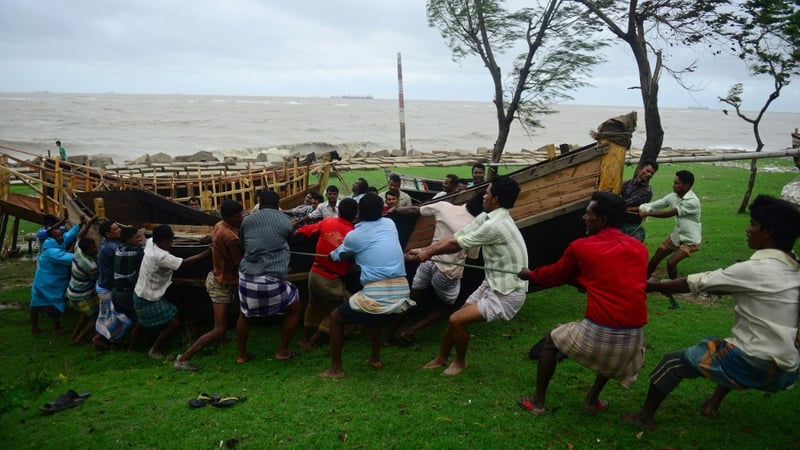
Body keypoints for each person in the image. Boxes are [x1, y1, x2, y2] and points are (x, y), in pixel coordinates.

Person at [625, 195, 800, 431]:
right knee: (724, 345)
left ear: (767, 232)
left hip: (753, 363)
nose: (747, 230)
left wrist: (651, 286)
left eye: (753, 224)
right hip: (788, 369)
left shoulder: (753, 269)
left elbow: (693, 282)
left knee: (672, 362)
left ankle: (644, 417)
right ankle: (712, 403)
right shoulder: (794, 265)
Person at [516, 191, 649, 416]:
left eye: (588, 214)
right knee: (608, 350)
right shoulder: (640, 248)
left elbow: (554, 275)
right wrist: (581, 282)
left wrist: (530, 274)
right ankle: (592, 400)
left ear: (603, 219)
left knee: (550, 341)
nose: (584, 218)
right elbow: (612, 280)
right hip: (633, 343)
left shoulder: (581, 246)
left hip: (601, 338)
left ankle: (537, 402)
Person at [406, 176, 528, 376]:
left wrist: (427, 254)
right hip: (492, 283)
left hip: (508, 292)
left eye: (487, 193)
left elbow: (456, 245)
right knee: (456, 318)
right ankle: (441, 358)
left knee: (456, 320)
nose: (483, 196)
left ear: (495, 199)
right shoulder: (487, 217)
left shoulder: (494, 225)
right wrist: (424, 249)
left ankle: (460, 362)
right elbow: (455, 237)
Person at [321, 193, 414, 378]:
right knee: (374, 317)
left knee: (335, 318)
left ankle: (336, 369)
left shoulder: (354, 236)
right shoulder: (390, 224)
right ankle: (375, 358)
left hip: (377, 292)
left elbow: (338, 255)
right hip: (403, 288)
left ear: (359, 213)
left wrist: (332, 255)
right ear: (382, 210)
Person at [384, 191, 483, 346]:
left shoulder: (443, 206)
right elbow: (472, 257)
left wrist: (395, 210)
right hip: (447, 272)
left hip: (427, 262)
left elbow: (414, 210)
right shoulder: (476, 229)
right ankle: (409, 332)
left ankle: (389, 338)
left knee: (410, 300)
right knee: (448, 306)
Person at [174, 200, 245, 370]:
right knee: (219, 328)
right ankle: (183, 358)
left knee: (235, 317)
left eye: (241, 214)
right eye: (238, 216)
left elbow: (211, 238)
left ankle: (232, 344)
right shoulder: (231, 238)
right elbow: (239, 263)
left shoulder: (219, 224)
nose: (241, 218)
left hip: (220, 277)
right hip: (222, 283)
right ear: (228, 217)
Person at [237, 190, 302, 364]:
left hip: (246, 277)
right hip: (272, 278)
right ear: (277, 204)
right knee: (295, 308)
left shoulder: (247, 220)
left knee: (244, 314)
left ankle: (242, 355)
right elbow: (290, 236)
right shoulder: (284, 220)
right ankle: (282, 351)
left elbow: (242, 243)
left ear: (260, 202)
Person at [133, 224, 210, 359]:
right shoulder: (161, 256)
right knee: (174, 322)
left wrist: (142, 232)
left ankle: (131, 347)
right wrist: (207, 252)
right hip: (149, 296)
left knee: (140, 321)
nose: (171, 244)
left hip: (140, 291)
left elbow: (145, 238)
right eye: (168, 242)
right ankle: (155, 349)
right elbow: (184, 263)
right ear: (160, 241)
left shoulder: (151, 243)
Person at [294, 198, 358, 351]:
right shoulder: (353, 234)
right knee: (346, 307)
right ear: (355, 214)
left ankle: (304, 338)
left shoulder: (327, 222)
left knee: (313, 304)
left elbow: (306, 230)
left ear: (339, 211)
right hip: (330, 279)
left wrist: (296, 229)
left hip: (314, 273)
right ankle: (313, 342)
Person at [639, 170, 701, 308]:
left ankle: (674, 286)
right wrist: (643, 208)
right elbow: (656, 204)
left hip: (690, 239)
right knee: (654, 259)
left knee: (671, 263)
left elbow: (668, 213)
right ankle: (641, 284)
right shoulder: (673, 197)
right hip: (676, 235)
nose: (673, 185)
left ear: (686, 185)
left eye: (676, 183)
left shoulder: (692, 201)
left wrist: (647, 213)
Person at [30, 215, 95, 334]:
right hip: (48, 281)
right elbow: (68, 258)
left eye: (60, 235)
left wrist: (80, 225)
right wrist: (87, 256)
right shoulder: (51, 251)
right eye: (58, 236)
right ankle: (54, 327)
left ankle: (39, 326)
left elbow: (68, 235)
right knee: (53, 303)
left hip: (51, 279)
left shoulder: (56, 241)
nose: (61, 237)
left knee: (39, 302)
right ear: (51, 238)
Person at [94, 220, 132, 350]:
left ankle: (109, 340)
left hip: (103, 284)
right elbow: (127, 252)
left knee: (108, 316)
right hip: (107, 288)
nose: (119, 230)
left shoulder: (107, 243)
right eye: (116, 229)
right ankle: (98, 339)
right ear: (108, 234)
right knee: (116, 317)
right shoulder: (113, 248)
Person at [111, 226, 145, 351]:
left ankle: (110, 342)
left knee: (121, 318)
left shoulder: (119, 248)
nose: (139, 239)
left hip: (116, 291)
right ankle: (132, 347)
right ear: (129, 240)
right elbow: (145, 251)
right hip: (126, 293)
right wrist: (143, 237)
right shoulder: (136, 252)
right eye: (136, 237)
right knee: (140, 318)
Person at [66, 237, 100, 344]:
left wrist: (88, 223)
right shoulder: (90, 266)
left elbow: (80, 235)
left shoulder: (78, 251)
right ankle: (80, 337)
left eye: (95, 246)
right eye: (92, 249)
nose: (95, 249)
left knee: (86, 313)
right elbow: (97, 279)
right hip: (82, 295)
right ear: (86, 250)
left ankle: (75, 334)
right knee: (98, 317)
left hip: (72, 291)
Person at [620, 160, 659, 242]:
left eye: (652, 173)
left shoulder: (646, 191)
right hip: (619, 220)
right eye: (648, 171)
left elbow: (624, 203)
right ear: (640, 169)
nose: (649, 174)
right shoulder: (628, 183)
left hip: (631, 225)